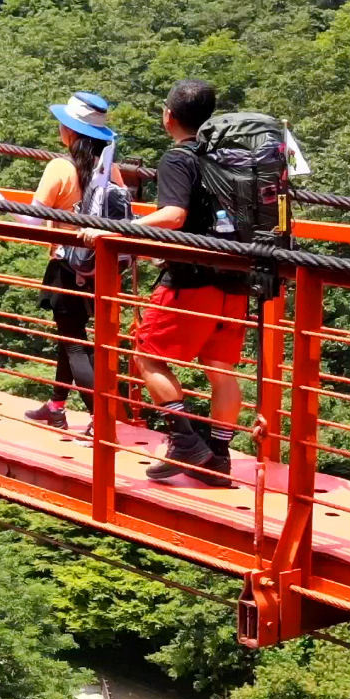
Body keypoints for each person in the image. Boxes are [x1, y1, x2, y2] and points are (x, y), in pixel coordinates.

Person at [124, 79, 244, 487]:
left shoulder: (179, 158)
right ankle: (219, 458)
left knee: (147, 355)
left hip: (191, 280)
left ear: (168, 116)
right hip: (239, 278)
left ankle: (183, 440)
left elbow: (174, 215)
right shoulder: (233, 154)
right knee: (221, 369)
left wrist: (120, 229)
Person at [15, 91, 123, 436]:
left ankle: (102, 420)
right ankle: (57, 406)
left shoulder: (60, 168)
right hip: (100, 266)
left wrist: (1, 204)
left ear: (71, 132)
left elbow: (31, 221)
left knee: (74, 342)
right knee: (71, 335)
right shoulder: (111, 170)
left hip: (67, 265)